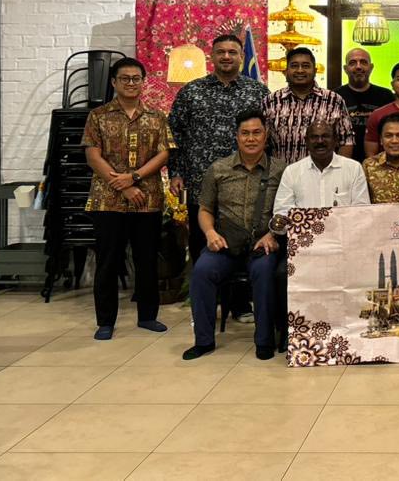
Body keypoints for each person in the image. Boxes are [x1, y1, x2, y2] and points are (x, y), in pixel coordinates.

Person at [82, 57, 174, 341]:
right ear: (114, 82)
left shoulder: (157, 116)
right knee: (108, 261)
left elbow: (164, 153)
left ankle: (147, 316)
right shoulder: (98, 116)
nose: (131, 83)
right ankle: (105, 321)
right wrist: (121, 185)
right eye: (125, 78)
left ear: (143, 82)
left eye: (136, 78)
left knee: (146, 260)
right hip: (107, 200)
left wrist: (133, 178)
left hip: (147, 200)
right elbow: (92, 155)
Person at [183, 110, 285, 361]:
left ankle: (264, 341)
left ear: (266, 136)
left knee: (265, 273)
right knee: (202, 271)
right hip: (225, 245)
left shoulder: (281, 170)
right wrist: (210, 233)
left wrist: (273, 234)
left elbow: (288, 209)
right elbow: (205, 209)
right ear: (237, 137)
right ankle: (203, 341)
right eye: (245, 133)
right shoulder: (219, 169)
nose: (251, 138)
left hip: (263, 245)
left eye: (257, 133)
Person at [168, 34, 269, 273]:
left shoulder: (258, 92)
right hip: (200, 181)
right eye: (220, 52)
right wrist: (176, 172)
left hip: (246, 184)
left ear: (241, 57)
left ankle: (242, 295)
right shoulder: (191, 92)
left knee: (246, 246)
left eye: (232, 52)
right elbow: (174, 135)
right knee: (201, 242)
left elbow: (268, 135)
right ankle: (204, 291)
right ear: (211, 56)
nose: (226, 56)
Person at [263, 46, 354, 164]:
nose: (300, 70)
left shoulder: (334, 100)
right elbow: (262, 143)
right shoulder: (271, 101)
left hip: (323, 173)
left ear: (315, 71)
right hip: (281, 173)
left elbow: (346, 141)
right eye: (294, 66)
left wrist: (339, 171)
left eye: (306, 66)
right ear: (286, 71)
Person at [272, 122, 370, 218]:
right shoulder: (292, 172)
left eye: (325, 136)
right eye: (314, 137)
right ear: (306, 141)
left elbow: (362, 211)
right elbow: (282, 212)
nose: (320, 141)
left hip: (344, 228)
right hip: (303, 229)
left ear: (335, 140)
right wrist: (281, 221)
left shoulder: (353, 169)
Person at [335, 47, 395, 164]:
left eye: (363, 62)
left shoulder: (386, 96)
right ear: (345, 69)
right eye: (353, 63)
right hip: (343, 163)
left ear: (371, 67)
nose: (358, 67)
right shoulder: (335, 97)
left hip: (381, 164)